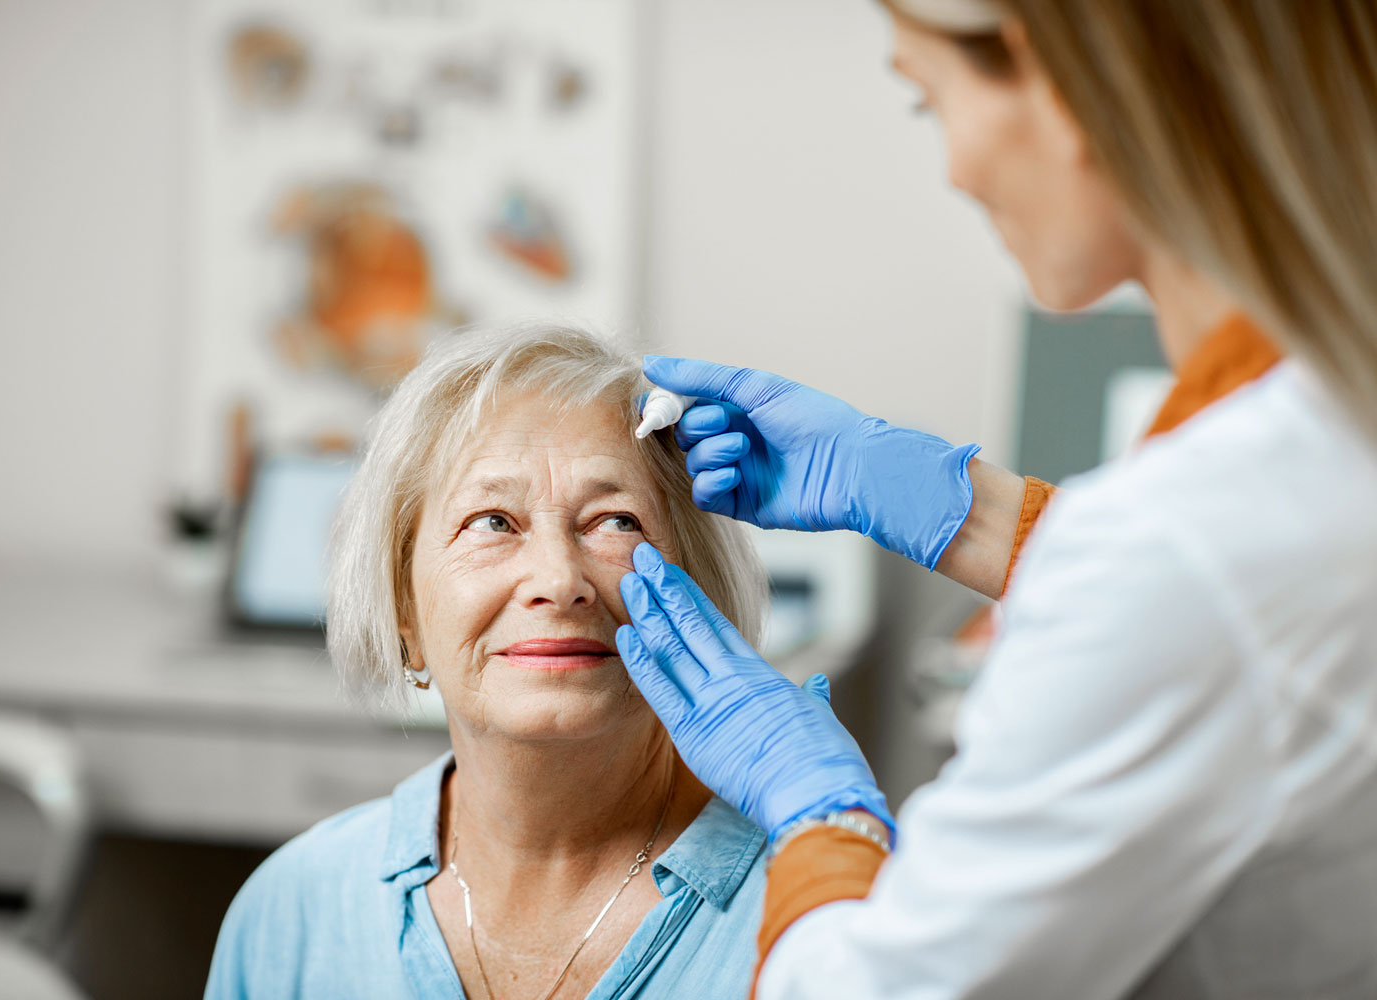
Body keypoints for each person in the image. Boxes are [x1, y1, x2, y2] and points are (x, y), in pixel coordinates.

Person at [615, 1, 1377, 997]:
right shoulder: (1308, 438)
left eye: (925, 100)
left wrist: (817, 808)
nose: (952, 171)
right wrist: (957, 507)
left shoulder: (1184, 543)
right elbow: (1246, 609)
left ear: (1059, 91)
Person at [205, 321, 781, 999]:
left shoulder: (811, 917)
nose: (559, 578)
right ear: (403, 611)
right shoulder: (290, 918)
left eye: (614, 521)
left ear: (698, 590)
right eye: (493, 522)